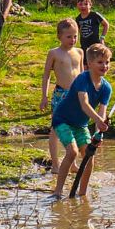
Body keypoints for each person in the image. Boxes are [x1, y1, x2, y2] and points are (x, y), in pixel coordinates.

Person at [52, 44, 114, 199]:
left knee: (89, 156)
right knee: (72, 152)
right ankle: (58, 191)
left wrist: (99, 132)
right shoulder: (83, 78)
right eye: (100, 62)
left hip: (81, 125)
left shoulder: (106, 88)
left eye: (107, 62)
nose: (104, 66)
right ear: (89, 64)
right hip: (62, 119)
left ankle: (82, 194)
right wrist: (99, 120)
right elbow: (84, 104)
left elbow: (102, 111)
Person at [41, 18, 84, 169]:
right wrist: (44, 97)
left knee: (75, 127)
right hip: (61, 94)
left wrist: (86, 94)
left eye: (75, 36)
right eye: (69, 36)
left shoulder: (79, 52)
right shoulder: (54, 53)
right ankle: (55, 163)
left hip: (76, 94)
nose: (72, 40)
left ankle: (72, 162)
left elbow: (82, 75)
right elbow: (46, 75)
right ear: (59, 36)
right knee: (56, 129)